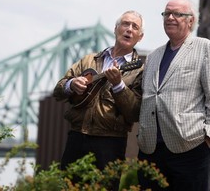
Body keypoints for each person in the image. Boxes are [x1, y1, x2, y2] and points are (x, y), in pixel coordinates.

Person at [137, 0, 210, 191]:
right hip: (150, 150)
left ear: (190, 21)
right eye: (166, 13)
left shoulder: (205, 48)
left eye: (177, 14)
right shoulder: (153, 56)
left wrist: (208, 136)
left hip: (189, 147)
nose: (170, 17)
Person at [53, 10, 144, 189]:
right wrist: (71, 84)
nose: (129, 29)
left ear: (140, 37)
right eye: (125, 24)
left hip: (110, 143)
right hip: (77, 136)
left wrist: (119, 85)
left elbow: (134, 112)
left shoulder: (139, 70)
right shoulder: (88, 60)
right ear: (116, 28)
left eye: (135, 27)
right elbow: (58, 91)